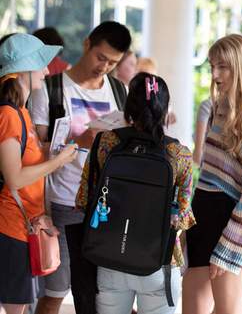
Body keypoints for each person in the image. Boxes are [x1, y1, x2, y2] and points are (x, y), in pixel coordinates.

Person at [30, 21, 131, 314]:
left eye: (112, 63)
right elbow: (35, 149)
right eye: (101, 57)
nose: (104, 67)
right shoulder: (51, 88)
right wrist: (78, 141)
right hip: (62, 200)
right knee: (55, 292)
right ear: (87, 44)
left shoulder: (119, 91)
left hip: (106, 204)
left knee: (97, 292)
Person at [74, 73, 195, 314]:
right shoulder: (179, 154)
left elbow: (83, 201)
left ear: (129, 107)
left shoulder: (104, 143)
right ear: (165, 109)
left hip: (110, 259)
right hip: (159, 263)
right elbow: (182, 217)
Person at [182, 34, 242, 314]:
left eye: (223, 67)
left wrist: (232, 242)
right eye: (212, 66)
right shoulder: (218, 106)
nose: (215, 74)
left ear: (241, 66)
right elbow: (206, 170)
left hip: (233, 218)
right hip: (203, 211)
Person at [0, 33, 77, 314]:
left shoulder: (21, 112)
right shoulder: (9, 115)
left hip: (23, 224)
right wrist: (57, 162)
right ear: (21, 70)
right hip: (10, 225)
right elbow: (16, 178)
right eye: (41, 63)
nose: (47, 71)